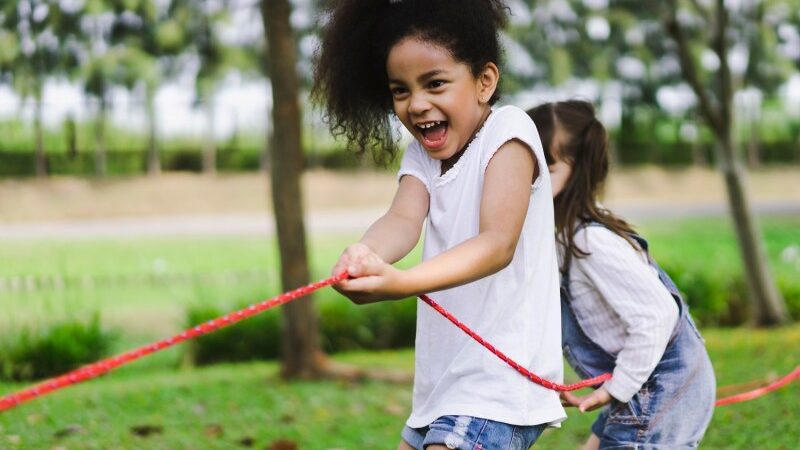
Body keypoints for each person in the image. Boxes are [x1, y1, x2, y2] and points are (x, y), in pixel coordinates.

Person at [312, 1, 566, 448]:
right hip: (444, 387)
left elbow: (496, 243)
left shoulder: (509, 133)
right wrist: (367, 253)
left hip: (497, 383)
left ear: (484, 81)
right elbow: (402, 219)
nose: (417, 104)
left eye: (435, 83)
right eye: (401, 90)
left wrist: (402, 282)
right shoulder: (424, 156)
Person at [526, 100, 716, 449]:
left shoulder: (590, 241)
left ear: (579, 170)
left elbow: (658, 315)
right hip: (641, 381)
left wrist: (615, 388)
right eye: (523, 166)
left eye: (545, 168)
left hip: (659, 385)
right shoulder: (562, 235)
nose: (529, 178)